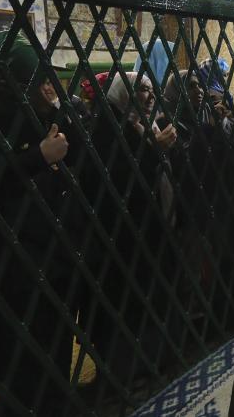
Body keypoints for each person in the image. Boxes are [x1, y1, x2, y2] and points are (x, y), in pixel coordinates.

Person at [0, 31, 87, 416]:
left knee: (55, 352)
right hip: (10, 265)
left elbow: (73, 153)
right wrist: (37, 158)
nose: (47, 88)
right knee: (20, 363)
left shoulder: (34, 118)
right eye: (38, 81)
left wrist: (60, 111)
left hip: (52, 257)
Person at [82, 71, 177, 392]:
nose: (149, 96)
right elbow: (116, 179)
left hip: (149, 230)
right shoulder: (107, 130)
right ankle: (125, 373)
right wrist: (154, 150)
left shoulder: (142, 124)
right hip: (122, 236)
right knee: (127, 303)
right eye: (141, 90)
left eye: (151, 90)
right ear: (122, 94)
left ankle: (149, 362)